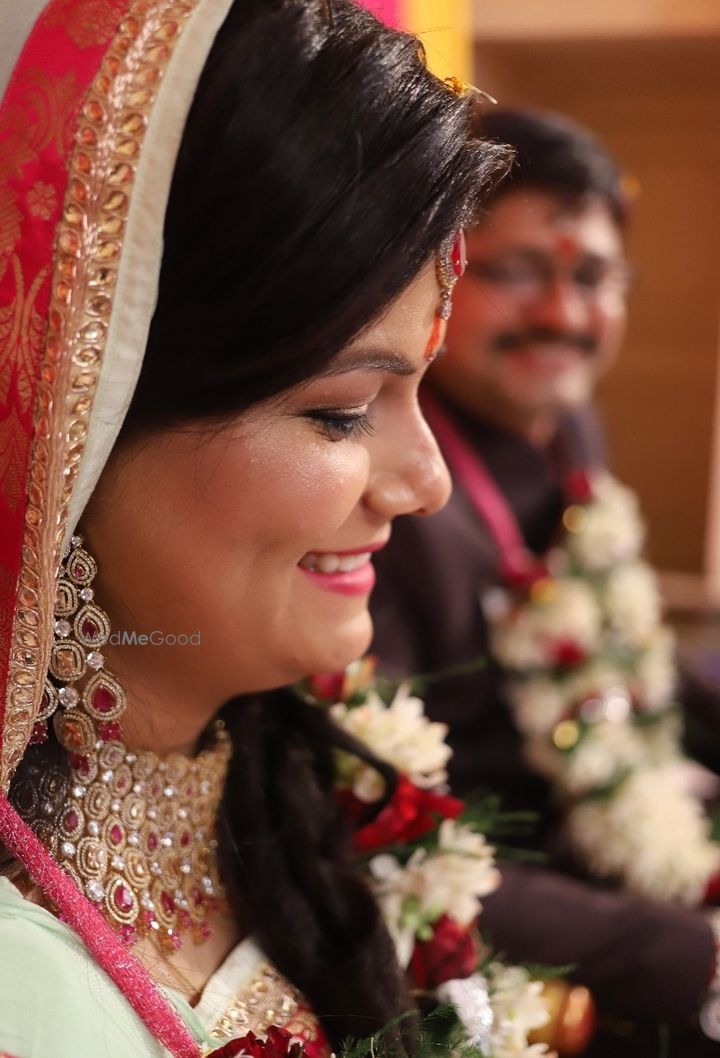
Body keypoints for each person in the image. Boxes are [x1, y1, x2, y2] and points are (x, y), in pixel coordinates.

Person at [0, 3, 512, 1056]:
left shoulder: (307, 802)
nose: (427, 485)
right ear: (76, 430)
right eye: (342, 412)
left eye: (418, 389)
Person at [371, 107, 720, 1056]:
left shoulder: (569, 432)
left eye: (594, 278)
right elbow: (381, 840)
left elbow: (627, 662)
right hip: (504, 935)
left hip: (622, 842)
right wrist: (690, 953)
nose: (564, 316)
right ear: (437, 273)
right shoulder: (388, 492)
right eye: (519, 272)